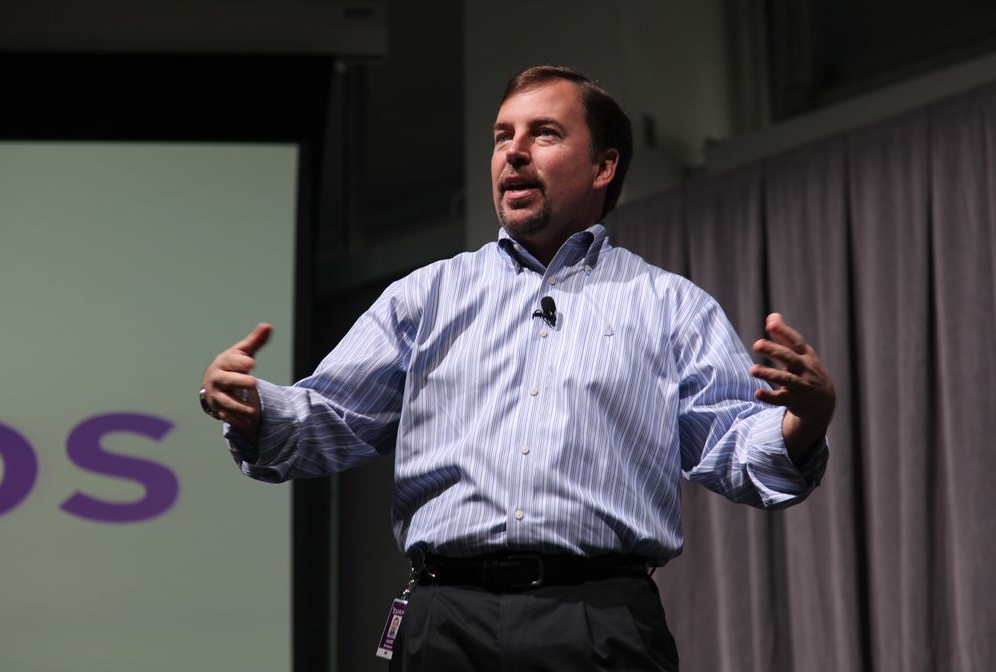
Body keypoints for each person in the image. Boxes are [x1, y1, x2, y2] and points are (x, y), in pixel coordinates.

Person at [199, 65, 834, 671]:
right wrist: (256, 411)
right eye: (503, 135)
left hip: (598, 621)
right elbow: (329, 420)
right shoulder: (427, 296)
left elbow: (732, 447)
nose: (514, 151)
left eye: (544, 133)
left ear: (603, 166)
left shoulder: (671, 307)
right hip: (444, 621)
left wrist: (803, 422)